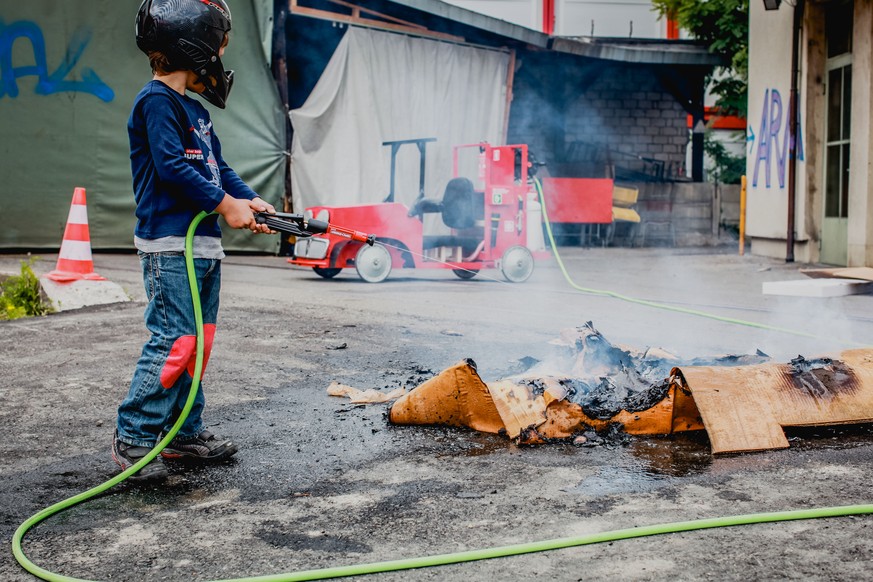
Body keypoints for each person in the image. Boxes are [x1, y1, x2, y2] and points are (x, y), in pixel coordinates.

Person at [113, 0, 274, 482]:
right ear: (197, 44)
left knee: (198, 343)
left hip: (201, 245)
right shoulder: (155, 101)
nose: (222, 53)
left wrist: (250, 199)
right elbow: (173, 168)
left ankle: (182, 432)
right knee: (175, 341)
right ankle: (135, 436)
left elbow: (216, 169)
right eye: (220, 41)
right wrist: (227, 206)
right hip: (168, 245)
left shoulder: (194, 110)